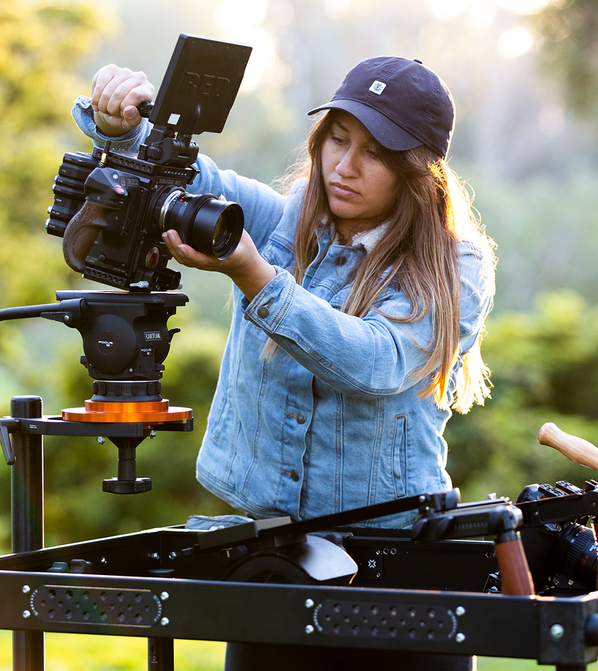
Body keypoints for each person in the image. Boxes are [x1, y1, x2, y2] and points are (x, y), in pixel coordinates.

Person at [72, 55, 495, 671]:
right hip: (271, 553)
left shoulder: (457, 264)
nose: (344, 168)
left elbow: (374, 361)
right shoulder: (291, 219)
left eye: (374, 154)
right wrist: (125, 128)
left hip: (398, 566)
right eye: (337, 141)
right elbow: (198, 180)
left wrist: (255, 278)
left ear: (417, 172)